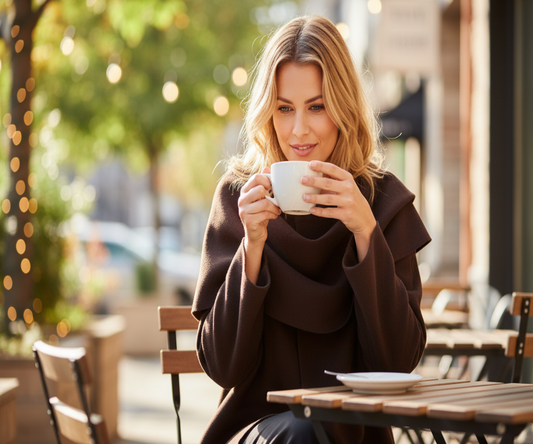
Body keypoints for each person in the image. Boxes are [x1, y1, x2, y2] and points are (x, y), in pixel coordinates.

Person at [192, 15, 431, 444]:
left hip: (355, 435)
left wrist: (365, 232)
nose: (298, 129)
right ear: (269, 111)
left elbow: (399, 362)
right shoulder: (238, 200)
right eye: (284, 108)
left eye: (316, 106)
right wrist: (253, 244)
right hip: (258, 429)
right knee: (302, 435)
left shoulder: (383, 204)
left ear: (343, 108)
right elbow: (220, 366)